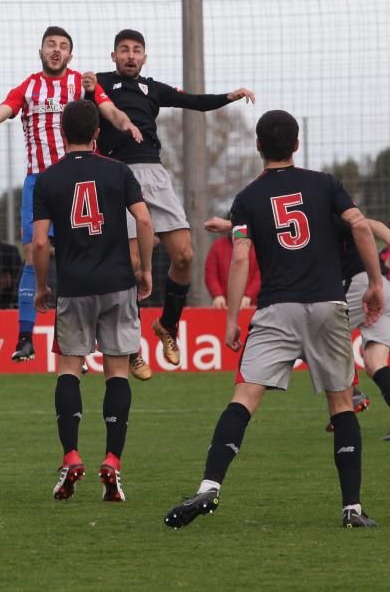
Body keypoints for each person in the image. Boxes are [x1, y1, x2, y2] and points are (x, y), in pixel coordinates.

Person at [164, 110, 383, 530]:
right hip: (326, 304)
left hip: (276, 308)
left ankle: (210, 486)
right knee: (341, 404)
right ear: (296, 145)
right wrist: (374, 281)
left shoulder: (248, 198)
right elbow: (359, 226)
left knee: (244, 397)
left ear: (259, 147)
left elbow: (242, 255)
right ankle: (352, 509)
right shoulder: (326, 184)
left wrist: (231, 317)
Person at [0, 26, 142, 363]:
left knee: (80, 254)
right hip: (39, 182)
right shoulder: (28, 87)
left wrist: (126, 124)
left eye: (63, 46)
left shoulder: (82, 84)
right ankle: (25, 336)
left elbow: (109, 110)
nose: (57, 50)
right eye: (51, 45)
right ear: (41, 51)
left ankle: (91, 342)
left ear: (71, 55)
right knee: (35, 251)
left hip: (76, 180)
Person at [94, 29, 255, 376]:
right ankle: (131, 345)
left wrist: (229, 96)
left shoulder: (153, 89)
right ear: (113, 56)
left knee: (184, 255)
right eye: (123, 50)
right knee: (133, 266)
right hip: (116, 175)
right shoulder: (100, 84)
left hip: (154, 174)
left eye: (137, 50)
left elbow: (194, 101)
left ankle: (167, 326)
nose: (130, 56)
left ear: (145, 57)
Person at [32, 99, 153, 502]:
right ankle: (113, 462)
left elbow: (38, 242)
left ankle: (70, 455)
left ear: (62, 134)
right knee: (117, 372)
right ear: (98, 133)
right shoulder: (119, 171)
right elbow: (145, 220)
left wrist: (44, 286)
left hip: (74, 286)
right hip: (118, 284)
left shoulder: (48, 180)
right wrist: (147, 270)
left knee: (69, 367)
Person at [205, 214, 390, 439]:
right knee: (375, 361)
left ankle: (352, 395)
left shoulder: (327, 217)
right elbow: (373, 224)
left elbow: (271, 222)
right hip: (385, 291)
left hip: (360, 287)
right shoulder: (331, 215)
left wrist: (230, 225)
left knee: (309, 337)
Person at [205, 232, 260, 308]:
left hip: (251, 305)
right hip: (223, 306)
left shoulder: (255, 247)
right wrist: (218, 295)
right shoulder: (217, 246)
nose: (237, 231)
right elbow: (211, 274)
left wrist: (249, 295)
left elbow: (260, 274)